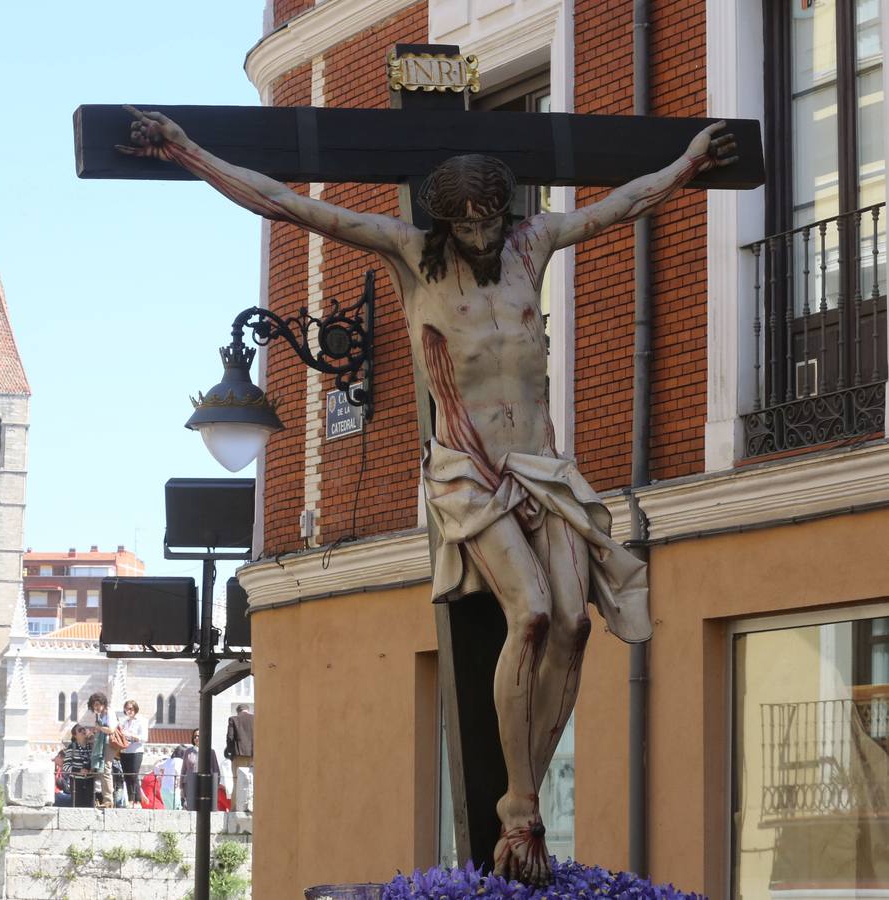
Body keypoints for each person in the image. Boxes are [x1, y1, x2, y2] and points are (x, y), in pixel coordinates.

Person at [121, 107, 737, 886]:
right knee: (535, 614)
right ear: (444, 221)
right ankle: (519, 809)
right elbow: (290, 204)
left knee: (577, 624)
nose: (482, 237)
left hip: (541, 465)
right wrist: (188, 153)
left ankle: (523, 803)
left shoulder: (532, 244)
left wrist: (685, 164)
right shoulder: (411, 259)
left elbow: (622, 205)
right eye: (468, 224)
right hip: (469, 471)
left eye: (491, 220)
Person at [87, 692, 117, 808]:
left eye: (98, 704)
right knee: (103, 771)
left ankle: (109, 800)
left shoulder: (109, 712)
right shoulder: (100, 715)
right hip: (103, 744)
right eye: (94, 705)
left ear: (103, 703)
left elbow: (111, 729)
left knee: (106, 770)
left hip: (110, 743)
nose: (96, 707)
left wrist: (99, 728)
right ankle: (106, 799)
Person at [118, 699, 147, 807]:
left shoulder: (141, 721)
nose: (128, 711)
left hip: (136, 751)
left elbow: (144, 738)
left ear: (135, 709)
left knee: (134, 775)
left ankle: (138, 800)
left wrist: (130, 735)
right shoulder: (124, 722)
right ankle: (131, 800)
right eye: (126, 709)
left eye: (130, 708)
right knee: (127, 776)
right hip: (124, 751)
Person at [225, 704, 254, 809]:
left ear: (238, 711)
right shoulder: (255, 718)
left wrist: (230, 753)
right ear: (248, 710)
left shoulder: (233, 719)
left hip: (239, 755)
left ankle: (235, 807)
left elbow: (230, 737)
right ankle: (252, 806)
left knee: (237, 781)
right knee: (253, 781)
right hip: (254, 756)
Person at [59, 725, 94, 808]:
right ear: (75, 735)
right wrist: (79, 770)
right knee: (78, 806)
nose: (83, 731)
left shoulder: (91, 746)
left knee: (90, 807)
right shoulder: (72, 747)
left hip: (89, 781)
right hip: (76, 782)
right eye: (80, 730)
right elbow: (66, 766)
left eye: (84, 729)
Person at [159, 747, 185, 811]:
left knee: (168, 811)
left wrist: (160, 776)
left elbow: (157, 766)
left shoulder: (168, 760)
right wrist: (179, 783)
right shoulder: (180, 761)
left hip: (163, 790)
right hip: (173, 789)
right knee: (177, 810)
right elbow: (178, 773)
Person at [182, 729, 199, 811]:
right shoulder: (188, 751)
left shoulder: (210, 751)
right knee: (189, 808)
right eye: (195, 736)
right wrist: (181, 787)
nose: (197, 738)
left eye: (199, 736)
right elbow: (183, 769)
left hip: (202, 784)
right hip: (189, 784)